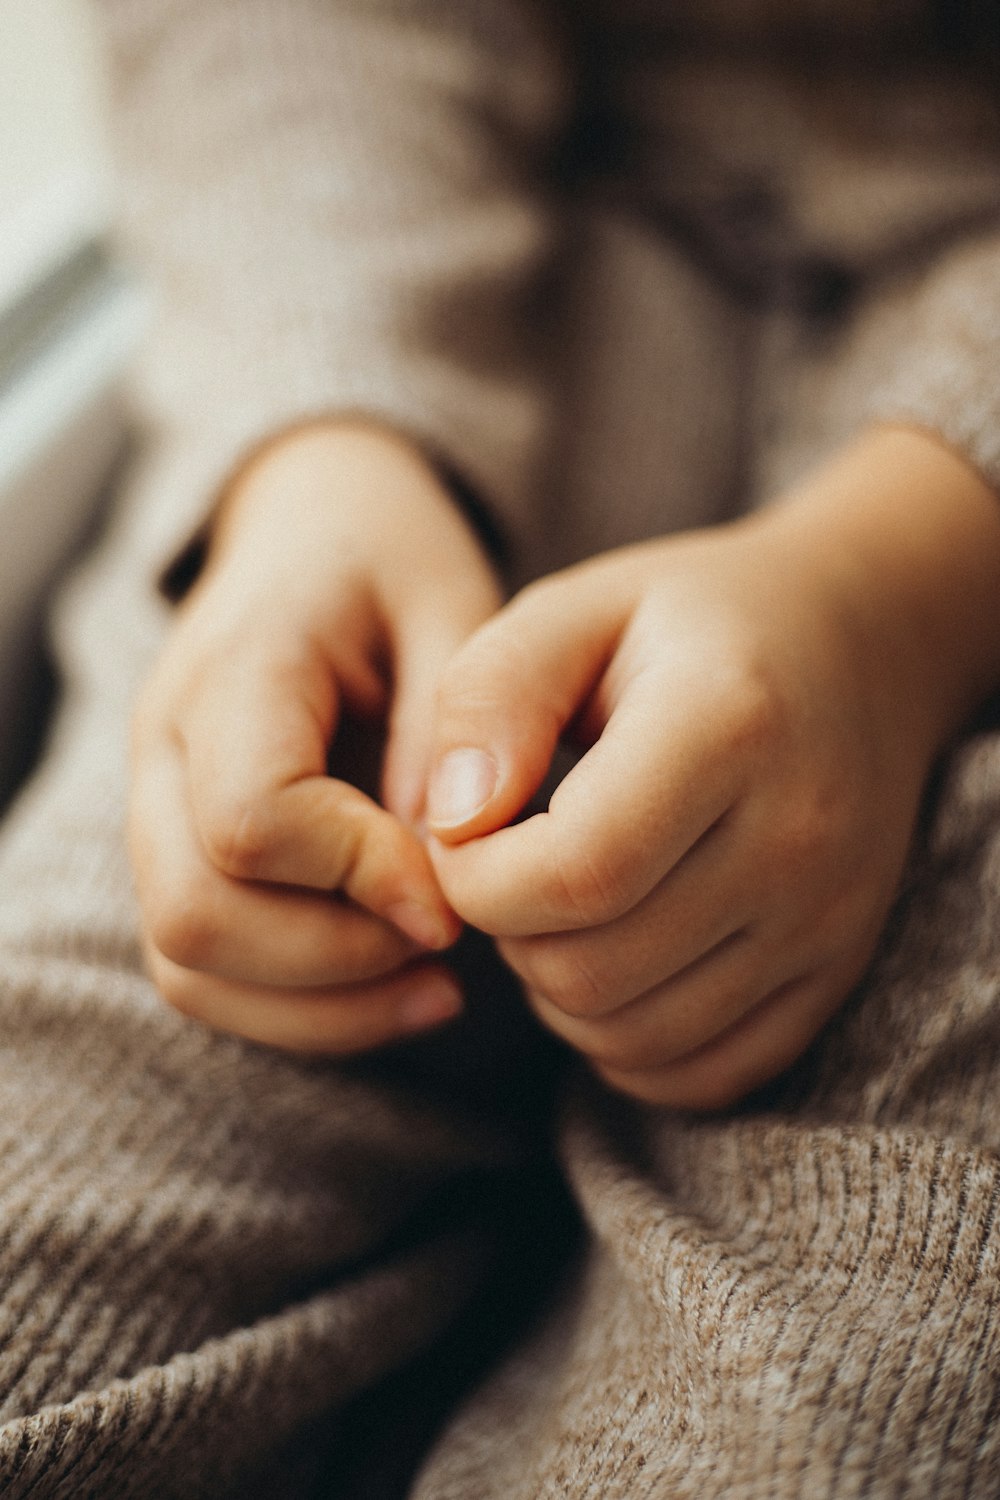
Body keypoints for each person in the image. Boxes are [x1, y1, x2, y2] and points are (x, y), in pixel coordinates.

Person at [1, 1, 1000, 1495]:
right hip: (445, 256)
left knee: (863, 1387)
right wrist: (318, 444)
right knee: (77, 1115)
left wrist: (902, 589)